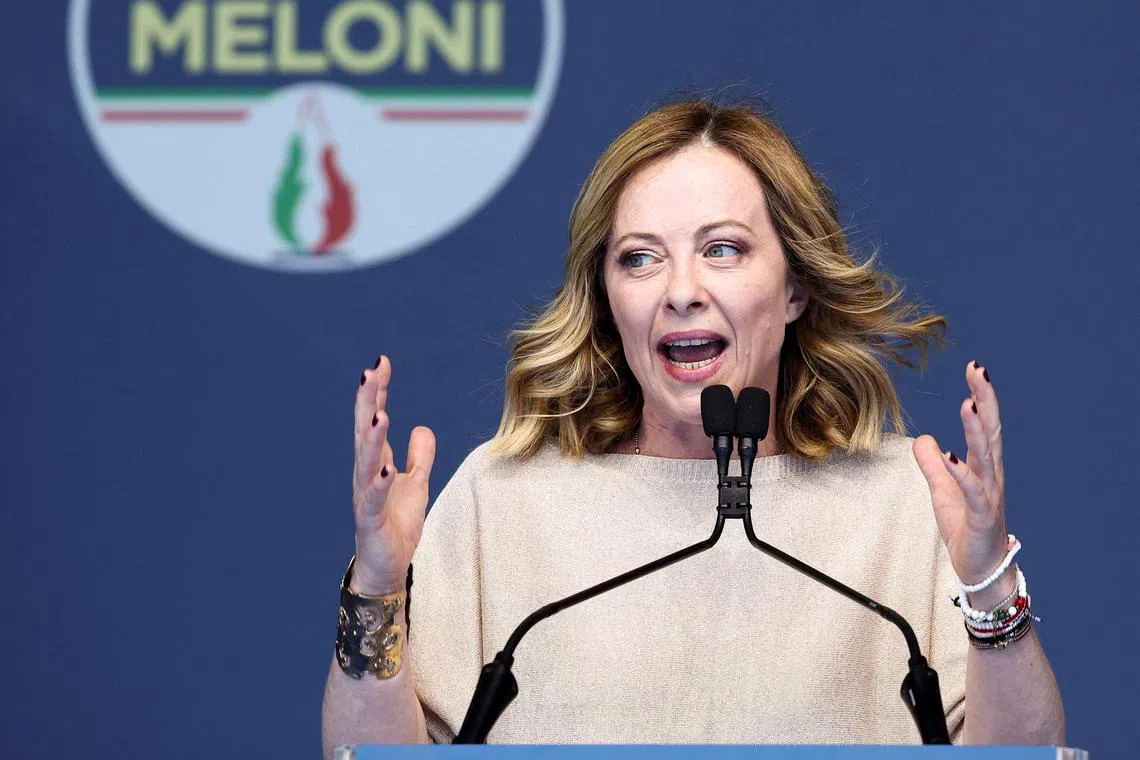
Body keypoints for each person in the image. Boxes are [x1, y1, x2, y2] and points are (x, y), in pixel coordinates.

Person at [320, 100, 1064, 752]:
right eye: (640, 259)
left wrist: (990, 584)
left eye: (723, 249)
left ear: (797, 284)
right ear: (608, 297)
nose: (681, 291)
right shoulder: (502, 497)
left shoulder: (904, 500)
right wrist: (379, 590)